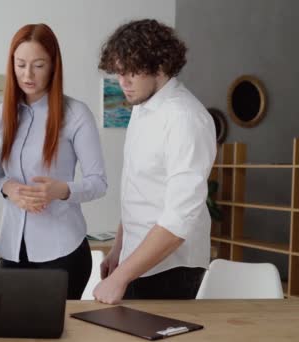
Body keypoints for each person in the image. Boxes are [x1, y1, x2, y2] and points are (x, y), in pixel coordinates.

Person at [93, 19, 217, 304]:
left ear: (160, 65)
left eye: (130, 73)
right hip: (135, 261)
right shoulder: (142, 107)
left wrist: (121, 276)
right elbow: (137, 190)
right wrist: (118, 250)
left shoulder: (185, 118)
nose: (121, 82)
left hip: (171, 268)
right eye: (118, 72)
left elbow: (179, 219)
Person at [0, 23, 107, 299]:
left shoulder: (76, 114)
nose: (27, 74)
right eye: (20, 64)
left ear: (54, 66)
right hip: (12, 252)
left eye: (38, 65)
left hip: (63, 253)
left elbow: (98, 182)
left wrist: (61, 190)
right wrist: (9, 188)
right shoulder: (1, 115)